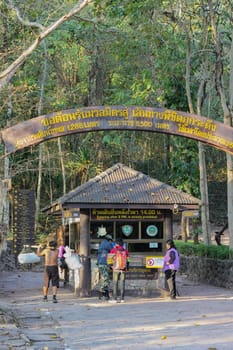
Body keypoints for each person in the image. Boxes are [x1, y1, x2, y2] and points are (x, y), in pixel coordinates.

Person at [109, 237, 129, 303]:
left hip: (116, 269)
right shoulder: (125, 251)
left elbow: (109, 259)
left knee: (115, 283)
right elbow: (128, 260)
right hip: (123, 269)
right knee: (122, 283)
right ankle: (122, 298)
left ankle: (115, 299)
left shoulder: (113, 250)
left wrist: (111, 266)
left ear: (117, 243)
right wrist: (127, 268)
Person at [97, 234, 113, 300]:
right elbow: (113, 251)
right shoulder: (108, 244)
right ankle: (104, 295)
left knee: (103, 279)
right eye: (111, 241)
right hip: (104, 264)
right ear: (109, 240)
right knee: (106, 280)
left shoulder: (102, 243)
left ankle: (102, 295)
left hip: (100, 263)